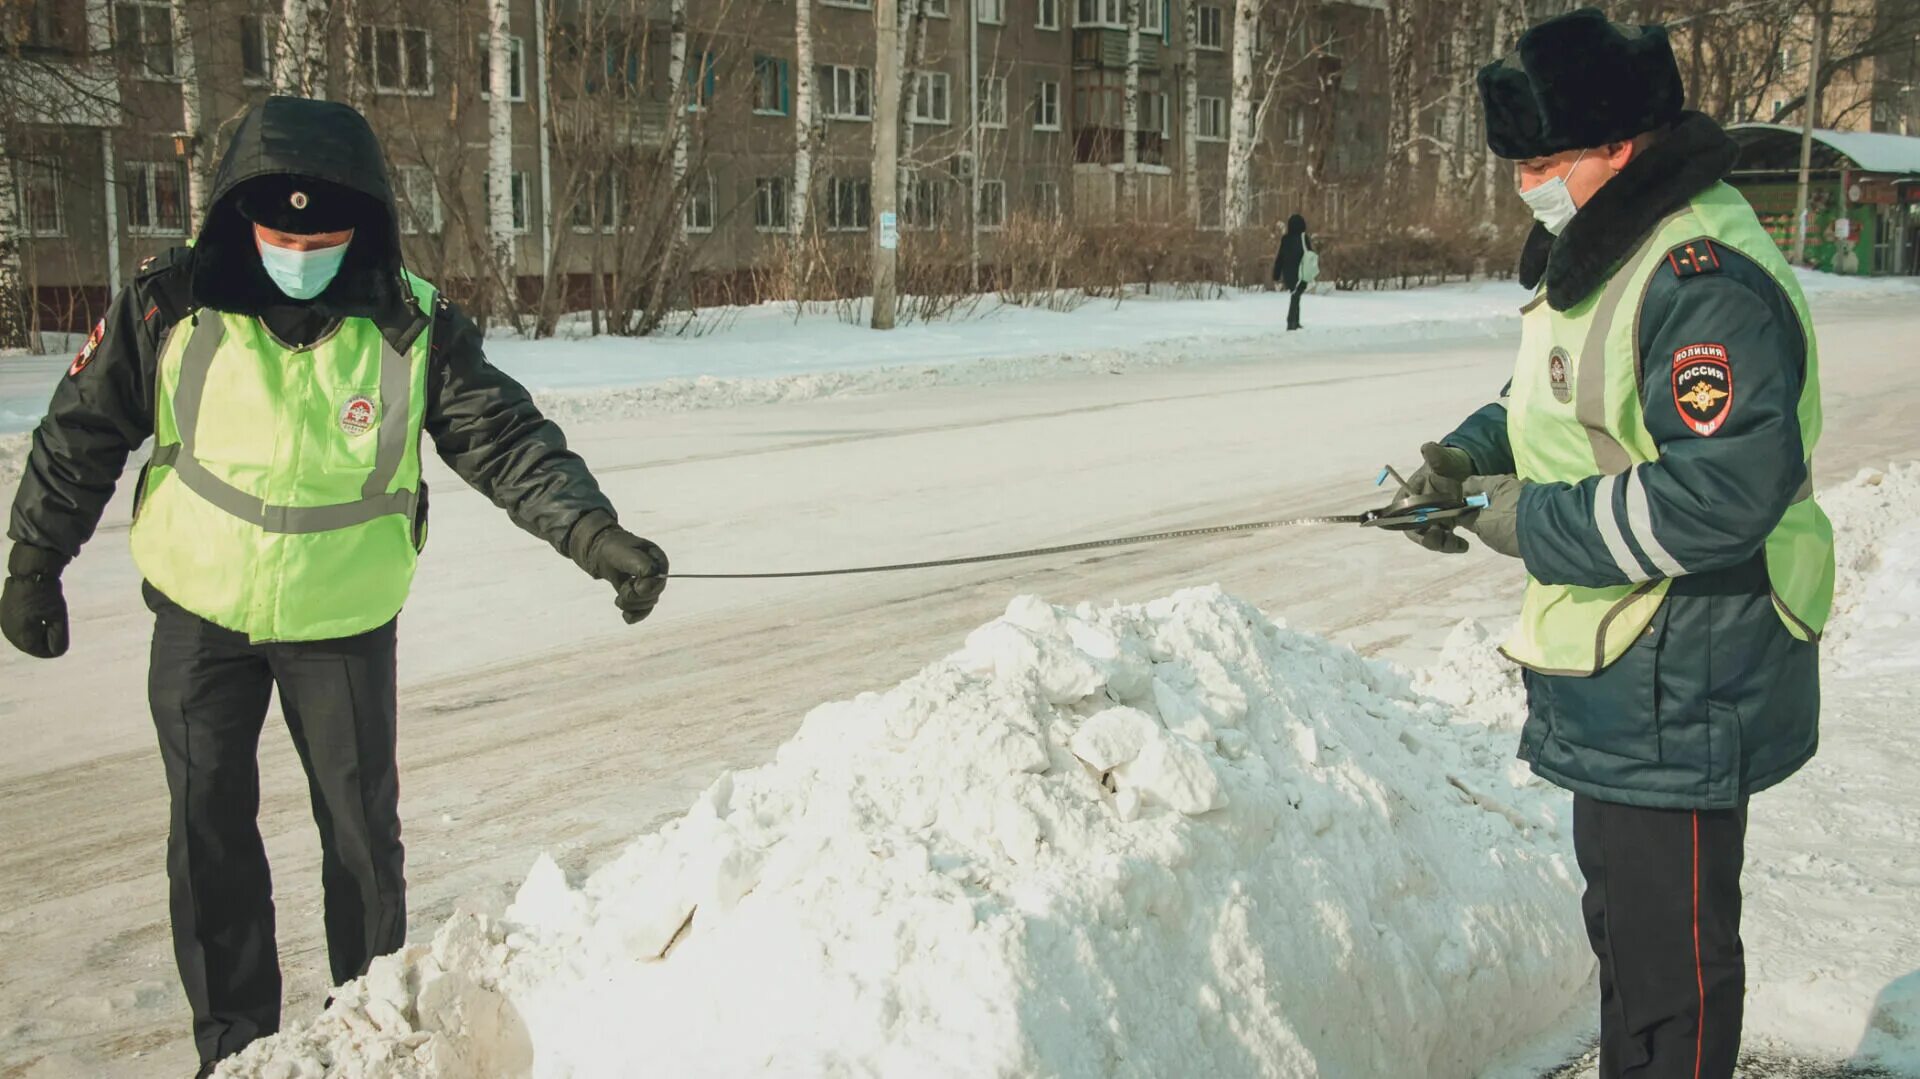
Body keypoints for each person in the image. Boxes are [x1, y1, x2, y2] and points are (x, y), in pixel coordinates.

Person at [0, 97, 669, 1077]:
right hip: (200, 614)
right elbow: (80, 432)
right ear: (237, 216)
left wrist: (593, 532)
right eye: (277, 228)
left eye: (321, 231)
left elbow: (505, 439)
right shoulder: (171, 303)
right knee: (208, 833)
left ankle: (369, 1034)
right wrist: (31, 564)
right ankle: (234, 1048)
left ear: (365, 220)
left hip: (344, 624)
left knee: (362, 844)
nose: (298, 246)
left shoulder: (410, 322)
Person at [1400, 11, 1831, 1078]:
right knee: (1630, 941)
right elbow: (1558, 391)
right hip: (1622, 663)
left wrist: (1526, 521)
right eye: (1516, 164)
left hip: (1684, 666)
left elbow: (1719, 493)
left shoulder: (1699, 277)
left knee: (1671, 969)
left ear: (1620, 147)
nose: (1526, 185)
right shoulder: (1611, 244)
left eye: (1544, 161)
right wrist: (1465, 454)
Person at [1272, 214, 1312, 331]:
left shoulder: (1286, 239)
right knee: (1296, 295)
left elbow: (1280, 257)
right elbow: (1309, 253)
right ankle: (1291, 322)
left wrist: (1277, 273)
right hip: (1301, 272)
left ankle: (1296, 321)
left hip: (1288, 273)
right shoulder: (1304, 238)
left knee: (1295, 294)